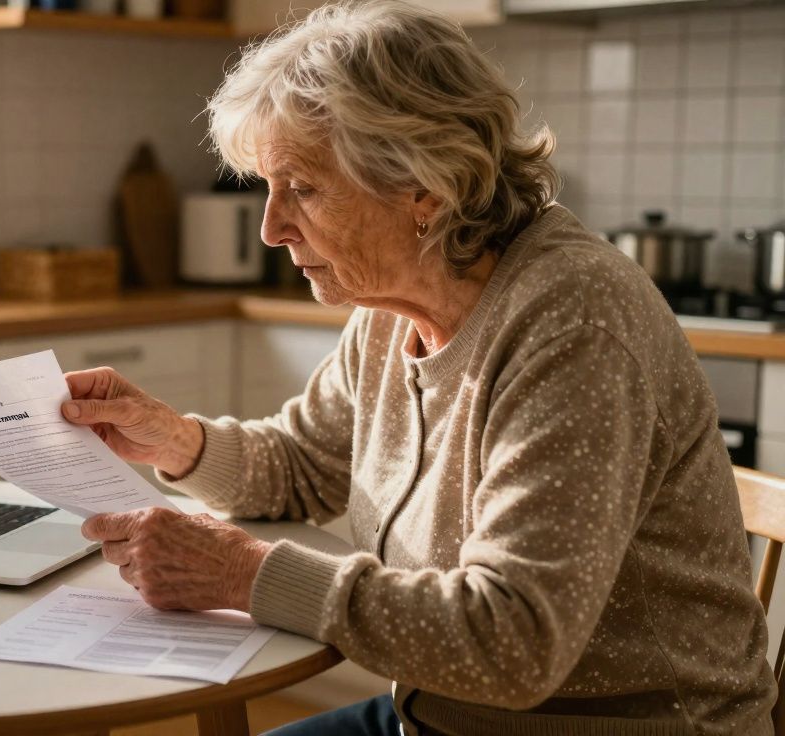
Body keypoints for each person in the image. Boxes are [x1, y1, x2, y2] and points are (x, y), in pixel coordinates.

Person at [60, 2, 776, 734]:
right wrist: (173, 438)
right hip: (442, 716)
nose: (272, 227)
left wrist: (245, 574)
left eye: (301, 188)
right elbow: (305, 465)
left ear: (425, 186)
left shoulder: (574, 320)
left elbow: (514, 640)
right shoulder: (391, 305)